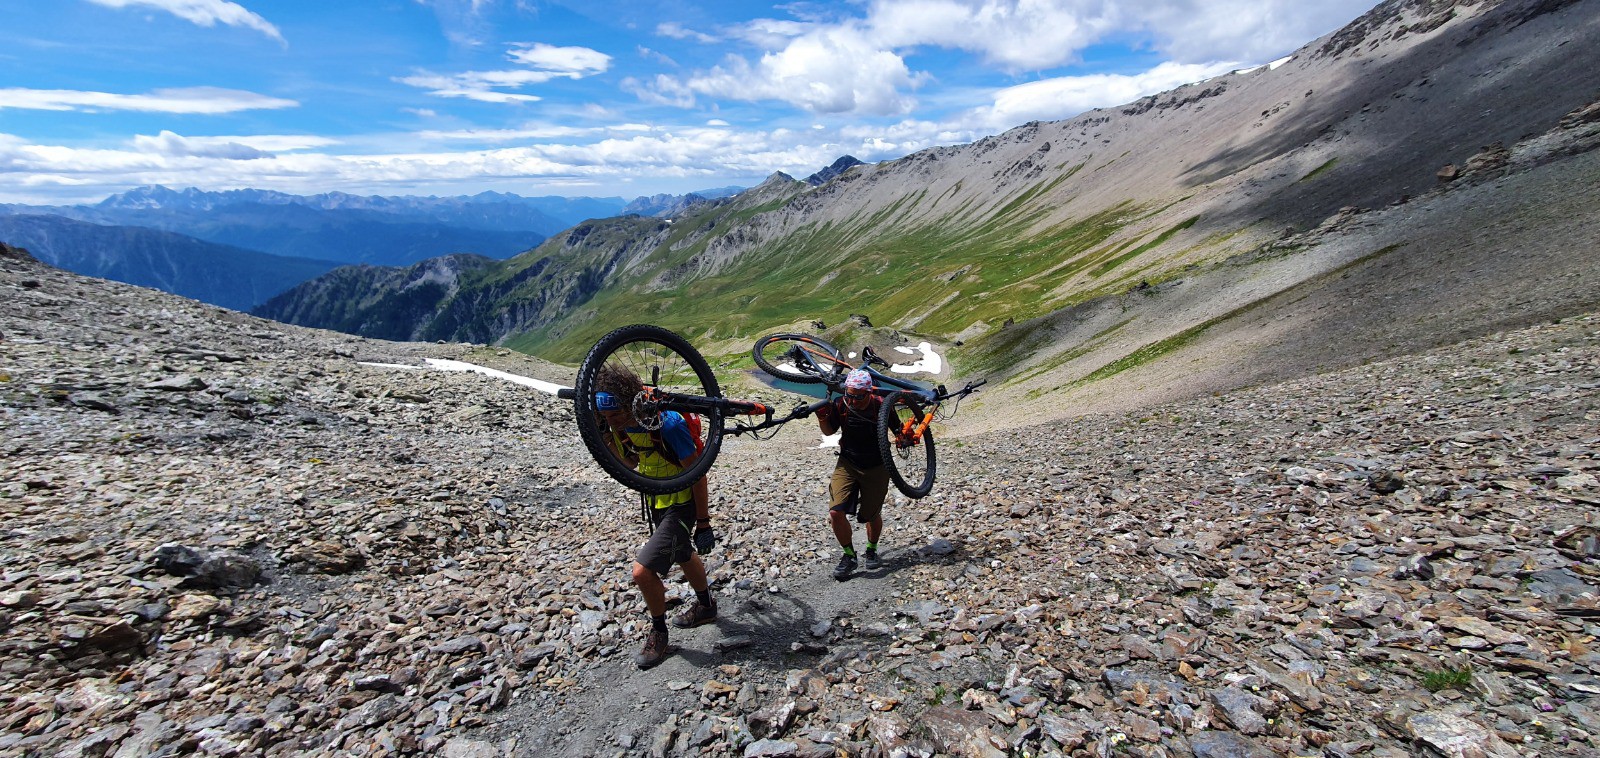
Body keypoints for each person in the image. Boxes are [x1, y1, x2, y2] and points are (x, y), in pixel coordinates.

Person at [593, 364, 717, 670]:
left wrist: (703, 522)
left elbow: (698, 473)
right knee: (683, 553)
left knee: (641, 572)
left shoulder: (669, 424)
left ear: (630, 402)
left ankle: (659, 633)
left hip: (682, 502)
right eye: (607, 418)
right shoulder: (617, 425)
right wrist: (608, 437)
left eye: (617, 416)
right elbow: (632, 463)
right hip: (658, 501)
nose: (613, 423)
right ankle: (706, 606)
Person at [814, 368, 890, 580]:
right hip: (847, 463)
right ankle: (849, 555)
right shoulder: (842, 404)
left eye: (858, 396)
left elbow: (898, 429)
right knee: (835, 512)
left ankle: (871, 549)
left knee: (871, 515)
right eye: (849, 394)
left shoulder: (881, 405)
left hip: (877, 466)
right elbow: (829, 432)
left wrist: (904, 438)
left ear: (868, 392)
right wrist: (822, 418)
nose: (853, 400)